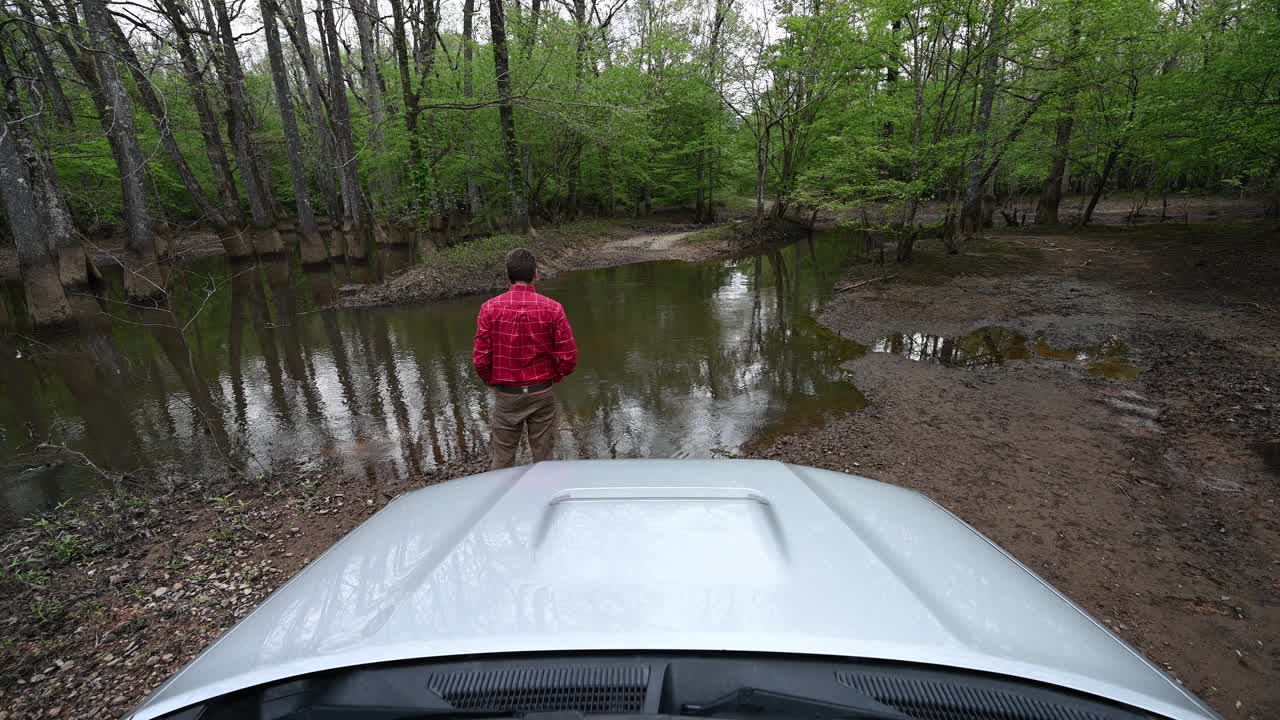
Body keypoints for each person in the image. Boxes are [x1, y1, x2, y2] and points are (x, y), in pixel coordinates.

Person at [472, 248, 578, 469]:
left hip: (507, 395)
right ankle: (541, 498)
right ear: (536, 274)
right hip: (541, 391)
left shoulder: (489, 308)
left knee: (502, 459)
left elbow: (481, 358)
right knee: (543, 460)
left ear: (507, 276)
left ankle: (502, 501)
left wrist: (492, 381)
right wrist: (554, 376)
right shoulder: (553, 308)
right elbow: (568, 358)